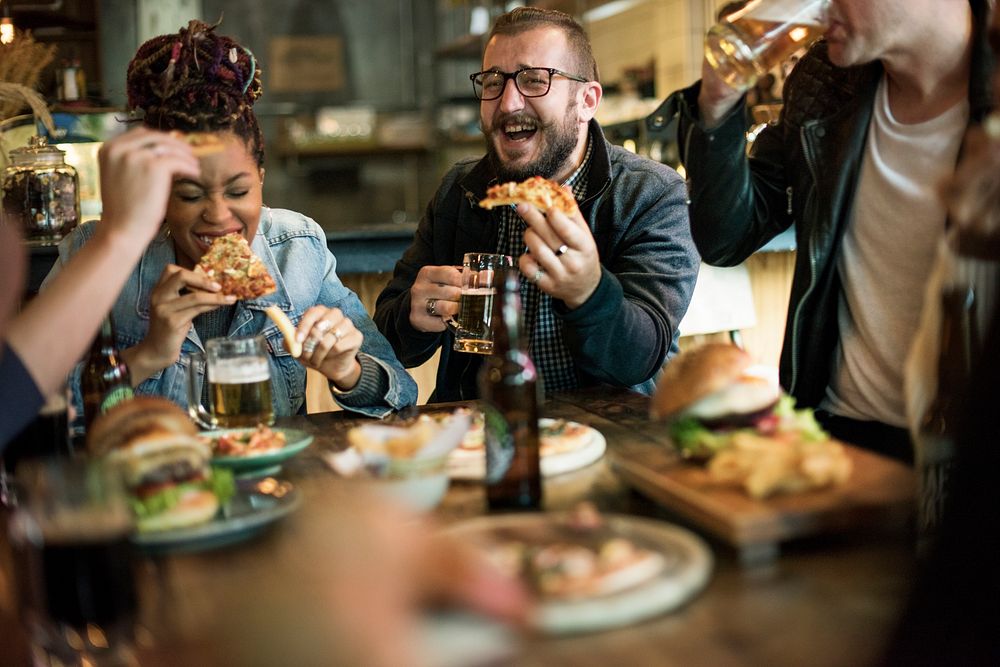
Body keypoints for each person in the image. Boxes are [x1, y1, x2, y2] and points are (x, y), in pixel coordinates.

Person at [43, 21, 417, 426]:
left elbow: (400, 392)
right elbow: (31, 408)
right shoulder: (95, 252)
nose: (219, 216)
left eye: (238, 193)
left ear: (260, 176)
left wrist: (349, 371)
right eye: (190, 195)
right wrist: (148, 354)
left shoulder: (296, 249)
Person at [667, 0, 994, 462]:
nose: (814, 10)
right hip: (839, 433)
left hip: (971, 452)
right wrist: (717, 104)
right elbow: (725, 237)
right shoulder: (825, 82)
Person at [374, 7, 699, 401]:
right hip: (484, 429)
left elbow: (637, 360)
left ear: (587, 100)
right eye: (493, 82)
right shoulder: (461, 190)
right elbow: (388, 343)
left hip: (611, 434)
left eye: (534, 80)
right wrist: (413, 314)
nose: (508, 103)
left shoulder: (652, 195)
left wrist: (589, 292)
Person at [1, 129, 201, 448]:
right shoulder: (88, 245)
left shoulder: (299, 244)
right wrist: (122, 234)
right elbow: (18, 395)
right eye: (190, 195)